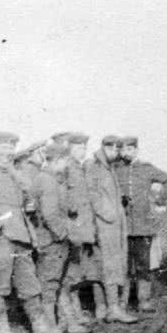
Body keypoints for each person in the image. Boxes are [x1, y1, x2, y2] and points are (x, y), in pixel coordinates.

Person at [0, 131, 69, 333]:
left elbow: (26, 198)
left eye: (11, 148)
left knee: (30, 286)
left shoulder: (15, 175)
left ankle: (42, 331)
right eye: (3, 148)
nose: (8, 153)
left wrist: (27, 205)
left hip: (21, 238)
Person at [32, 143, 90, 333]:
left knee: (61, 282)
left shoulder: (53, 179)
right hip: (52, 241)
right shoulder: (47, 181)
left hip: (57, 239)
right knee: (49, 285)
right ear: (57, 160)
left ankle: (66, 322)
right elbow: (50, 215)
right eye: (64, 161)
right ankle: (50, 328)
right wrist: (65, 235)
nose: (66, 165)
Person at [115, 135, 167, 311]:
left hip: (143, 226)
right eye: (123, 149)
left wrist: (160, 199)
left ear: (136, 150)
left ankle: (144, 300)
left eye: (130, 149)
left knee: (143, 265)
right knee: (122, 265)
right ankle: (122, 302)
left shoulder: (147, 168)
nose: (126, 153)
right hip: (122, 226)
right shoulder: (116, 169)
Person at [85, 135, 137, 323]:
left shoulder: (108, 167)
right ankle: (112, 308)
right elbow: (92, 195)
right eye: (116, 149)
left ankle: (104, 308)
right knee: (109, 266)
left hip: (112, 225)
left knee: (106, 266)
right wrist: (108, 214)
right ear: (107, 148)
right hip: (105, 225)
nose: (118, 153)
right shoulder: (95, 167)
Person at [64, 133, 103, 322]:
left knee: (86, 269)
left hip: (87, 227)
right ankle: (75, 313)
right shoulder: (66, 168)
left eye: (84, 148)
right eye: (78, 148)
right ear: (69, 148)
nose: (82, 152)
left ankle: (86, 309)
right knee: (72, 272)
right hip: (74, 227)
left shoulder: (84, 168)